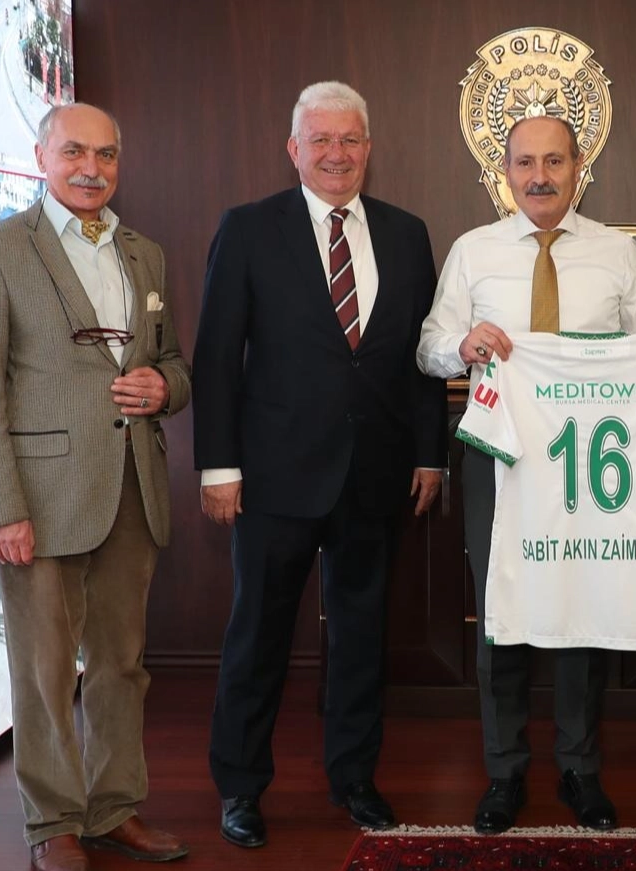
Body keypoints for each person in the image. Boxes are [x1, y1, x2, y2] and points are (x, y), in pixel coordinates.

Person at [194, 81, 445, 849]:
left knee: (362, 637)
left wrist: (430, 453)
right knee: (258, 637)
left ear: (369, 148)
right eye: (321, 140)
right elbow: (216, 356)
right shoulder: (248, 228)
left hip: (376, 474)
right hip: (272, 477)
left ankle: (355, 777)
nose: (337, 154)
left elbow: (419, 358)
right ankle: (241, 786)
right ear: (294, 148)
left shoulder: (406, 233)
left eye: (350, 139)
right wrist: (217, 467)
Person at [0, 103, 190, 871]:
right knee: (45, 670)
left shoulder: (144, 254)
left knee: (121, 665)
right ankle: (51, 820)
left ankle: (113, 808)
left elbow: (174, 362)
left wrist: (164, 386)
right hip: (40, 500)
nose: (92, 168)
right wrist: (1, 509)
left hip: (132, 488)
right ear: (41, 156)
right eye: (75, 152)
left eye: (106, 154)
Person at [417, 114, 636, 835]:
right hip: (497, 458)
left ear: (578, 166)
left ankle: (580, 767)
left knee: (581, 606)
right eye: (525, 162)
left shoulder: (616, 252)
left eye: (554, 161)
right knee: (500, 611)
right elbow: (430, 347)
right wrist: (463, 344)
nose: (539, 177)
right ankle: (503, 771)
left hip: (588, 462)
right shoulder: (474, 250)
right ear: (506, 170)